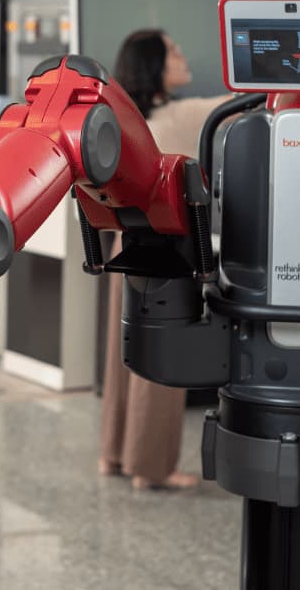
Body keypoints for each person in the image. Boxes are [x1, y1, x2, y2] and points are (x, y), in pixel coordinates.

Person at [99, 29, 230, 491]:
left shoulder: (120, 119)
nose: (183, 55)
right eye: (173, 51)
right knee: (163, 357)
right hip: (168, 251)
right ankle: (151, 468)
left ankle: (113, 455)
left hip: (126, 245)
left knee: (124, 357)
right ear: (155, 65)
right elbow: (242, 105)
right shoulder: (181, 116)